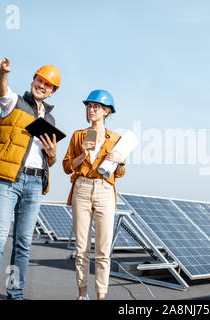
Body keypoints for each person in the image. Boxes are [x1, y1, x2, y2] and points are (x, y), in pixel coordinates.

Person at [0, 57, 61, 300]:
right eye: (40, 79)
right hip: (7, 181)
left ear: (53, 91)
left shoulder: (50, 120)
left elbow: (49, 161)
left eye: (48, 84)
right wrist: (2, 73)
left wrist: (53, 155)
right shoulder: (14, 102)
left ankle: (15, 293)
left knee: (23, 244)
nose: (42, 85)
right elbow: (0, 91)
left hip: (35, 183)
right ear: (33, 79)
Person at [62, 89, 126, 300]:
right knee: (81, 248)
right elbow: (67, 167)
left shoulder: (116, 138)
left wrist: (121, 161)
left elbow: (120, 173)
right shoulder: (79, 135)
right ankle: (82, 295)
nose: (91, 110)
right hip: (81, 188)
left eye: (96, 107)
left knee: (103, 249)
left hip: (105, 190)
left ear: (107, 111)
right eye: (89, 106)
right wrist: (82, 154)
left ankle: (101, 296)